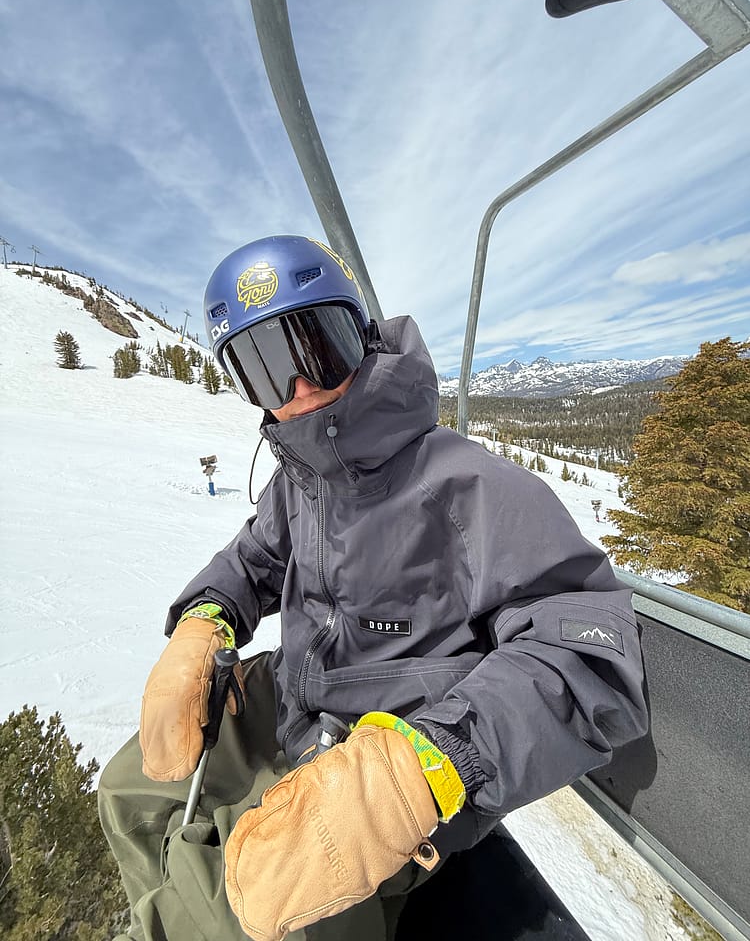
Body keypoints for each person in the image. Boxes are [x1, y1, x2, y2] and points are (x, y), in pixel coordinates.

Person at [99, 235, 649, 941]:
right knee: (130, 792)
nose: (300, 390)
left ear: (359, 338)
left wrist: (429, 763)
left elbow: (589, 651)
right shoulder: (299, 483)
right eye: (267, 370)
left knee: (226, 913)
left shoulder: (465, 485)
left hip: (390, 760)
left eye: (316, 348)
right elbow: (253, 558)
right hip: (291, 704)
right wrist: (204, 621)